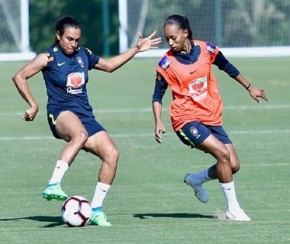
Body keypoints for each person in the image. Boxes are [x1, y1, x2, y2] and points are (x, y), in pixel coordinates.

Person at [12, 15, 161, 226]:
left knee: (112, 154)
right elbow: (19, 76)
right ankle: (54, 184)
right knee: (79, 135)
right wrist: (33, 104)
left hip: (85, 115)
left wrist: (136, 49)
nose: (74, 44)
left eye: (77, 39)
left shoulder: (84, 54)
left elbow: (109, 66)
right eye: (69, 39)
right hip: (60, 111)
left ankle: (97, 209)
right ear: (58, 35)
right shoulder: (49, 57)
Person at [152, 14, 269, 221]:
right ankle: (233, 209)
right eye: (167, 38)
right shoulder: (166, 63)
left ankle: (196, 179)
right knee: (222, 154)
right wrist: (158, 121)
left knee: (233, 165)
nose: (170, 43)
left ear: (185, 33)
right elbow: (157, 95)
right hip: (184, 120)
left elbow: (227, 67)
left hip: (211, 116)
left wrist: (250, 87)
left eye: (173, 37)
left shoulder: (207, 49)